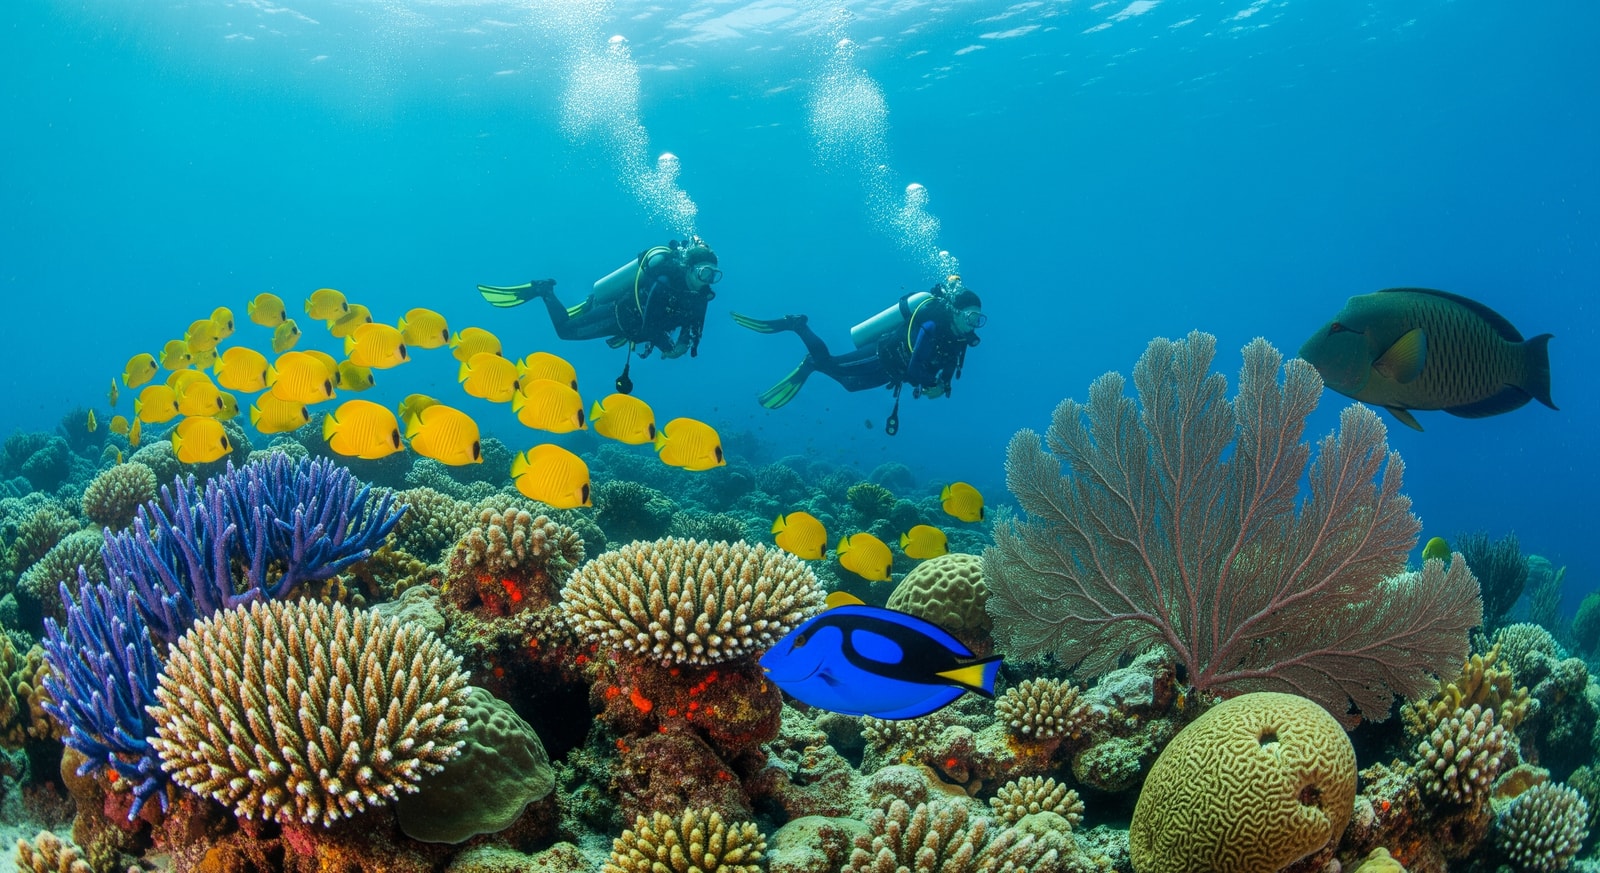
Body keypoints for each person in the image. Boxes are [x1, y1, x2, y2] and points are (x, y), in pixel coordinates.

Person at [732, 277, 985, 435]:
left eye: (978, 319)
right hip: (881, 356)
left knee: (850, 385)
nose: (974, 324)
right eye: (971, 316)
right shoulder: (931, 324)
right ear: (956, 311)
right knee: (831, 364)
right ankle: (798, 325)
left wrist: (944, 384)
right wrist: (932, 384)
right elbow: (915, 366)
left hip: (892, 371)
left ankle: (812, 362)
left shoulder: (959, 337)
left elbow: (950, 365)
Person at [477, 238, 723, 391]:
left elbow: (694, 325)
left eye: (713, 275)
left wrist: (682, 345)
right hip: (619, 316)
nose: (707, 280)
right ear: (689, 268)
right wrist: (667, 347)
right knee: (566, 331)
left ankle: (589, 304)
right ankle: (545, 290)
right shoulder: (665, 281)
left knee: (580, 320)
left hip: (631, 329)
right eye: (704, 273)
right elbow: (649, 325)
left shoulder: (701, 296)